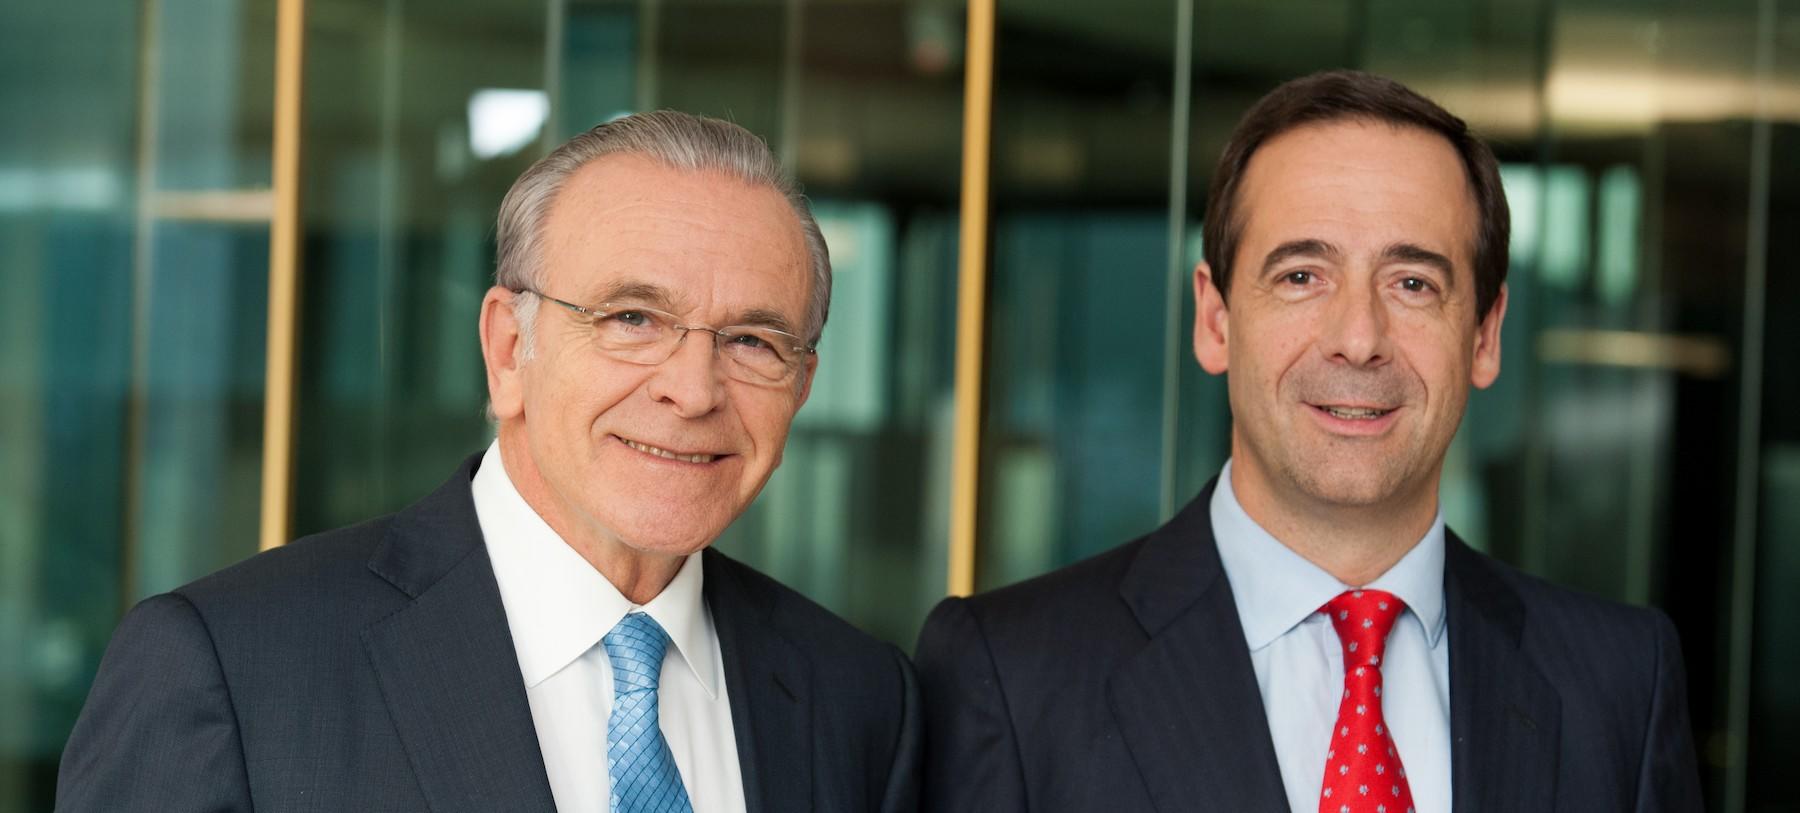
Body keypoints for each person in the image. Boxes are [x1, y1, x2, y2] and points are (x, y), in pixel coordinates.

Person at [58, 111, 920, 813]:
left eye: (753, 340)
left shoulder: (860, 698)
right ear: (509, 349)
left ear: (801, 385)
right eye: (632, 319)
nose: (693, 390)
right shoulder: (231, 670)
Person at [914, 70, 1702, 812]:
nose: (1358, 339)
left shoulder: (1621, 683)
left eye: (1413, 283)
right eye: (1301, 276)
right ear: (1215, 320)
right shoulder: (1010, 674)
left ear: (1485, 336)